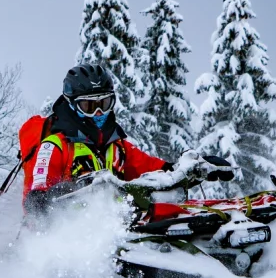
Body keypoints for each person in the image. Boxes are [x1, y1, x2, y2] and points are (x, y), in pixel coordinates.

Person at [23, 64, 171, 214]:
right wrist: (48, 196)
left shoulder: (117, 146)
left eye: (104, 104)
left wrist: (175, 170)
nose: (98, 113)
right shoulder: (55, 146)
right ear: (73, 105)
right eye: (89, 106)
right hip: (68, 229)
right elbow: (35, 194)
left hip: (118, 225)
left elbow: (149, 166)